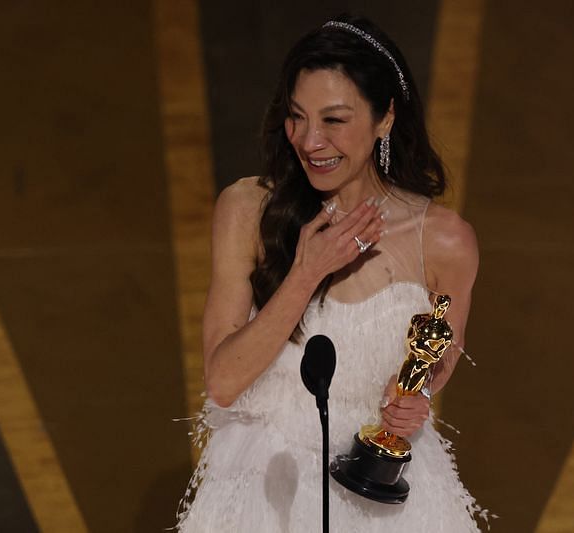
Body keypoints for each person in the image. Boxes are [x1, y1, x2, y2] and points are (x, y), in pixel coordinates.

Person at [176, 14, 484, 532]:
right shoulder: (248, 210)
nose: (310, 141)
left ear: (385, 118)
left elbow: (436, 357)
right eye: (297, 117)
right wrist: (306, 272)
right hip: (264, 487)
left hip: (385, 497)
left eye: (334, 120)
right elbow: (223, 382)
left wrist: (414, 399)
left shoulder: (445, 241)